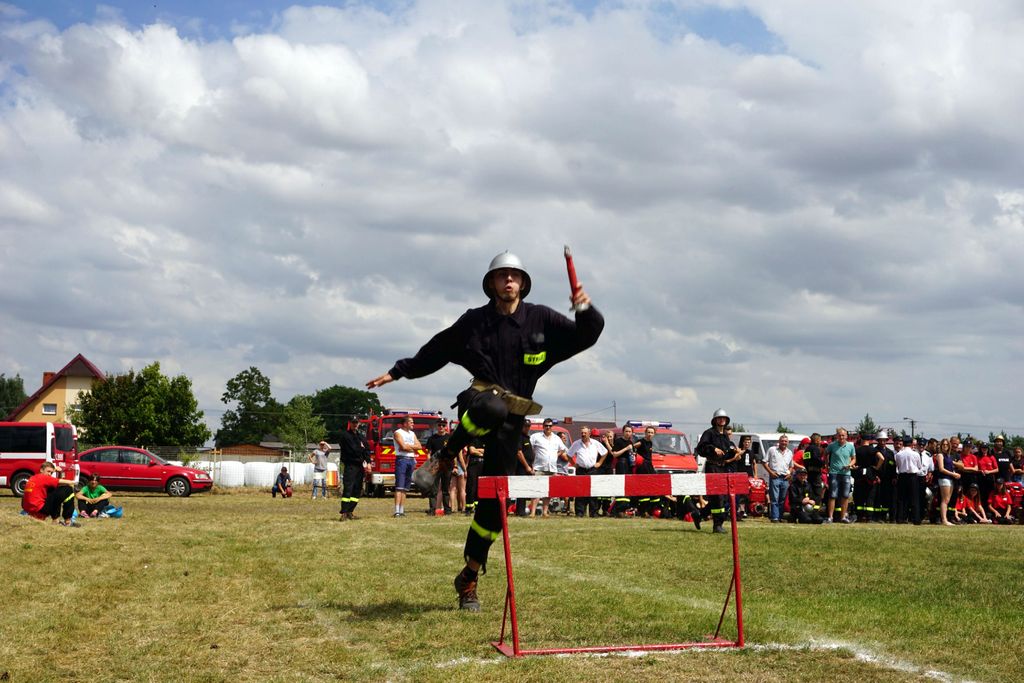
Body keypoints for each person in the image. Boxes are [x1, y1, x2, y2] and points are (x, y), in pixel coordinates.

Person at [366, 250, 603, 611]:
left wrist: (585, 308)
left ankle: (469, 577)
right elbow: (438, 348)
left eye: (514, 276)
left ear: (522, 283)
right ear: (491, 283)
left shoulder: (540, 319)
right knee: (493, 405)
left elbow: (586, 335)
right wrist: (399, 371)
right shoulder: (475, 321)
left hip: (512, 422)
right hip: (479, 403)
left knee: (494, 507)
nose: (508, 280)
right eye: (501, 275)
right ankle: (445, 456)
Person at [695, 409, 735, 533]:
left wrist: (734, 453)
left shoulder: (725, 436)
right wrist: (713, 449)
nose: (722, 420)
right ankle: (717, 525)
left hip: (723, 468)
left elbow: (726, 453)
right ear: (715, 420)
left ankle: (699, 515)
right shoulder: (709, 433)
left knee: (720, 498)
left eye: (724, 418)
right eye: (719, 418)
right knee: (718, 497)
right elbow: (700, 448)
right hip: (712, 467)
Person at [567, 426, 608, 518]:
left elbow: (605, 452)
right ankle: (580, 512)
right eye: (582, 433)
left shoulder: (595, 443)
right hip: (581, 470)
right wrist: (574, 464)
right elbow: (568, 455)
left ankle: (593, 512)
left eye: (585, 433)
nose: (583, 434)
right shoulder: (576, 444)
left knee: (593, 491)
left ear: (589, 433)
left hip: (592, 470)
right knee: (580, 492)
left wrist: (599, 463)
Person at [530, 419, 568, 517]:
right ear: (543, 426)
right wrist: (533, 459)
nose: (548, 427)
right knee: (536, 491)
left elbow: (562, 449)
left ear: (552, 427)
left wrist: (556, 455)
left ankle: (545, 512)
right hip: (539, 468)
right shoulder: (536, 436)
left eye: (550, 426)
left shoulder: (556, 438)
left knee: (548, 491)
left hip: (552, 469)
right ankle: (532, 512)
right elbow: (530, 449)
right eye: (546, 425)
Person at [22, 461, 78, 525]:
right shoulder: (44, 478)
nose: (49, 474)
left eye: (51, 472)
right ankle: (67, 521)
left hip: (28, 509)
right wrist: (74, 482)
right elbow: (61, 481)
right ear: (41, 470)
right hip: (40, 509)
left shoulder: (33, 477)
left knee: (54, 490)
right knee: (68, 489)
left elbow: (55, 485)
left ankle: (56, 519)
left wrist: (54, 470)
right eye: (48, 471)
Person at [339, 420, 372, 520]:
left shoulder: (360, 436)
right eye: (353, 423)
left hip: (360, 466)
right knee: (348, 489)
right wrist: (361, 448)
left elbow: (367, 450)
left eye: (356, 423)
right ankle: (344, 512)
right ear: (350, 423)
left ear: (358, 424)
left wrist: (368, 462)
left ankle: (350, 511)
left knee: (357, 490)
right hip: (350, 465)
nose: (355, 424)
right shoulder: (346, 436)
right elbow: (353, 450)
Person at [825, 428, 856, 524]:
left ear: (846, 436)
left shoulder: (851, 446)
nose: (841, 437)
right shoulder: (832, 445)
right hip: (834, 473)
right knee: (832, 495)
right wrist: (827, 465)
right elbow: (825, 454)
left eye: (843, 435)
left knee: (845, 496)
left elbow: (854, 459)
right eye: (839, 435)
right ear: (836, 436)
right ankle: (830, 517)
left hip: (846, 474)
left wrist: (850, 465)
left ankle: (843, 517)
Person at [392, 415, 422, 517]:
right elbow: (403, 447)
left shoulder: (412, 433)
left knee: (405, 488)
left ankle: (401, 510)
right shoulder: (398, 433)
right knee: (399, 487)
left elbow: (420, 446)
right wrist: (412, 447)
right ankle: (396, 511)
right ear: (405, 423)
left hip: (411, 460)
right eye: (411, 422)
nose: (413, 424)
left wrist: (408, 447)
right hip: (402, 460)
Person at [852, 433, 883, 522]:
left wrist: (854, 467)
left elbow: (852, 460)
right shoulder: (873, 450)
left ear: (861, 439)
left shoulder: (857, 450)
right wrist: (877, 467)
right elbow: (882, 458)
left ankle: (860, 516)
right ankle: (869, 517)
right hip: (870, 474)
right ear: (869, 440)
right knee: (870, 497)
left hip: (859, 474)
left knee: (859, 496)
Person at [424, 420, 453, 516]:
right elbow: (428, 453)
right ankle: (432, 510)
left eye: (443, 425)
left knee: (446, 489)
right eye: (439, 425)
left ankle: (447, 510)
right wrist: (430, 464)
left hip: (447, 465)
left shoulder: (449, 438)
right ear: (437, 426)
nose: (441, 427)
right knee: (433, 489)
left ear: (446, 427)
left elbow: (454, 452)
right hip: (435, 465)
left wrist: (455, 465)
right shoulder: (432, 438)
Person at [764, 434, 794, 523]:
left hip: (785, 478)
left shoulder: (790, 452)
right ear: (779, 441)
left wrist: (789, 473)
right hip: (775, 477)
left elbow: (791, 466)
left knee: (782, 499)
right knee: (774, 498)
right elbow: (764, 462)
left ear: (788, 442)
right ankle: (774, 517)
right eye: (782, 441)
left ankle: (780, 516)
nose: (784, 443)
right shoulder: (772, 450)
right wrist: (771, 472)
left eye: (785, 441)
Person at [609, 424, 637, 517]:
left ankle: (625, 509)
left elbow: (632, 454)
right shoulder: (618, 441)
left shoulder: (631, 442)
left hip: (629, 465)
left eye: (630, 431)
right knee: (621, 487)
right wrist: (626, 449)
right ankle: (618, 510)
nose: (628, 433)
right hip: (621, 465)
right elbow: (614, 454)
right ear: (623, 432)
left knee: (627, 488)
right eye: (626, 431)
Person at [894, 436, 922, 524]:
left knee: (901, 498)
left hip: (902, 476)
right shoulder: (916, 454)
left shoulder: (898, 454)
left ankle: (900, 518)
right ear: (911, 444)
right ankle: (916, 519)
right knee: (914, 498)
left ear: (903, 443)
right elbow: (919, 466)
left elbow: (898, 465)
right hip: (913, 477)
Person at [934, 438, 959, 526]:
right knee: (944, 500)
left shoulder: (948, 455)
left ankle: (945, 519)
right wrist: (953, 474)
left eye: (947, 444)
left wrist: (955, 474)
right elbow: (941, 469)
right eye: (943, 444)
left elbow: (950, 467)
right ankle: (944, 520)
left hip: (950, 479)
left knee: (947, 500)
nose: (945, 446)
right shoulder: (940, 455)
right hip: (944, 479)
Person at [873, 432, 897, 523]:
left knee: (886, 498)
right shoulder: (874, 451)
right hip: (878, 478)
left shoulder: (890, 453)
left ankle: (884, 516)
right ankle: (877, 517)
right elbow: (873, 465)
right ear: (878, 441)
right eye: (881, 440)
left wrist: (894, 477)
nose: (883, 442)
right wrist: (875, 476)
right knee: (877, 498)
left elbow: (893, 465)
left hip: (888, 479)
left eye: (884, 440)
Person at [514, 421, 535, 517]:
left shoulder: (527, 437)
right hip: (521, 467)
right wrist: (526, 466)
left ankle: (522, 510)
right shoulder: (519, 436)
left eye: (528, 426)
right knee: (521, 489)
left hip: (528, 467)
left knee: (525, 490)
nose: (527, 428)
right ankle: (520, 511)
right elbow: (519, 453)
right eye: (525, 426)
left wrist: (531, 466)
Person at [463, 439, 485, 516]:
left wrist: (477, 450)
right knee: (471, 487)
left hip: (483, 465)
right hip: (473, 465)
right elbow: (472, 451)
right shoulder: (473, 439)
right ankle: (469, 508)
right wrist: (482, 452)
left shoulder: (487, 440)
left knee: (481, 487)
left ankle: (478, 507)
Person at [977, 443, 999, 511]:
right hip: (981, 477)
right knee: (981, 494)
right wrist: (980, 471)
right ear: (980, 449)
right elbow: (976, 468)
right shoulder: (978, 457)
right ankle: (982, 510)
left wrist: (989, 472)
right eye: (983, 448)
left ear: (988, 449)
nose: (984, 449)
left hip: (990, 477)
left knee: (990, 494)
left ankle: (990, 510)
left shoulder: (991, 457)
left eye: (986, 448)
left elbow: (997, 469)